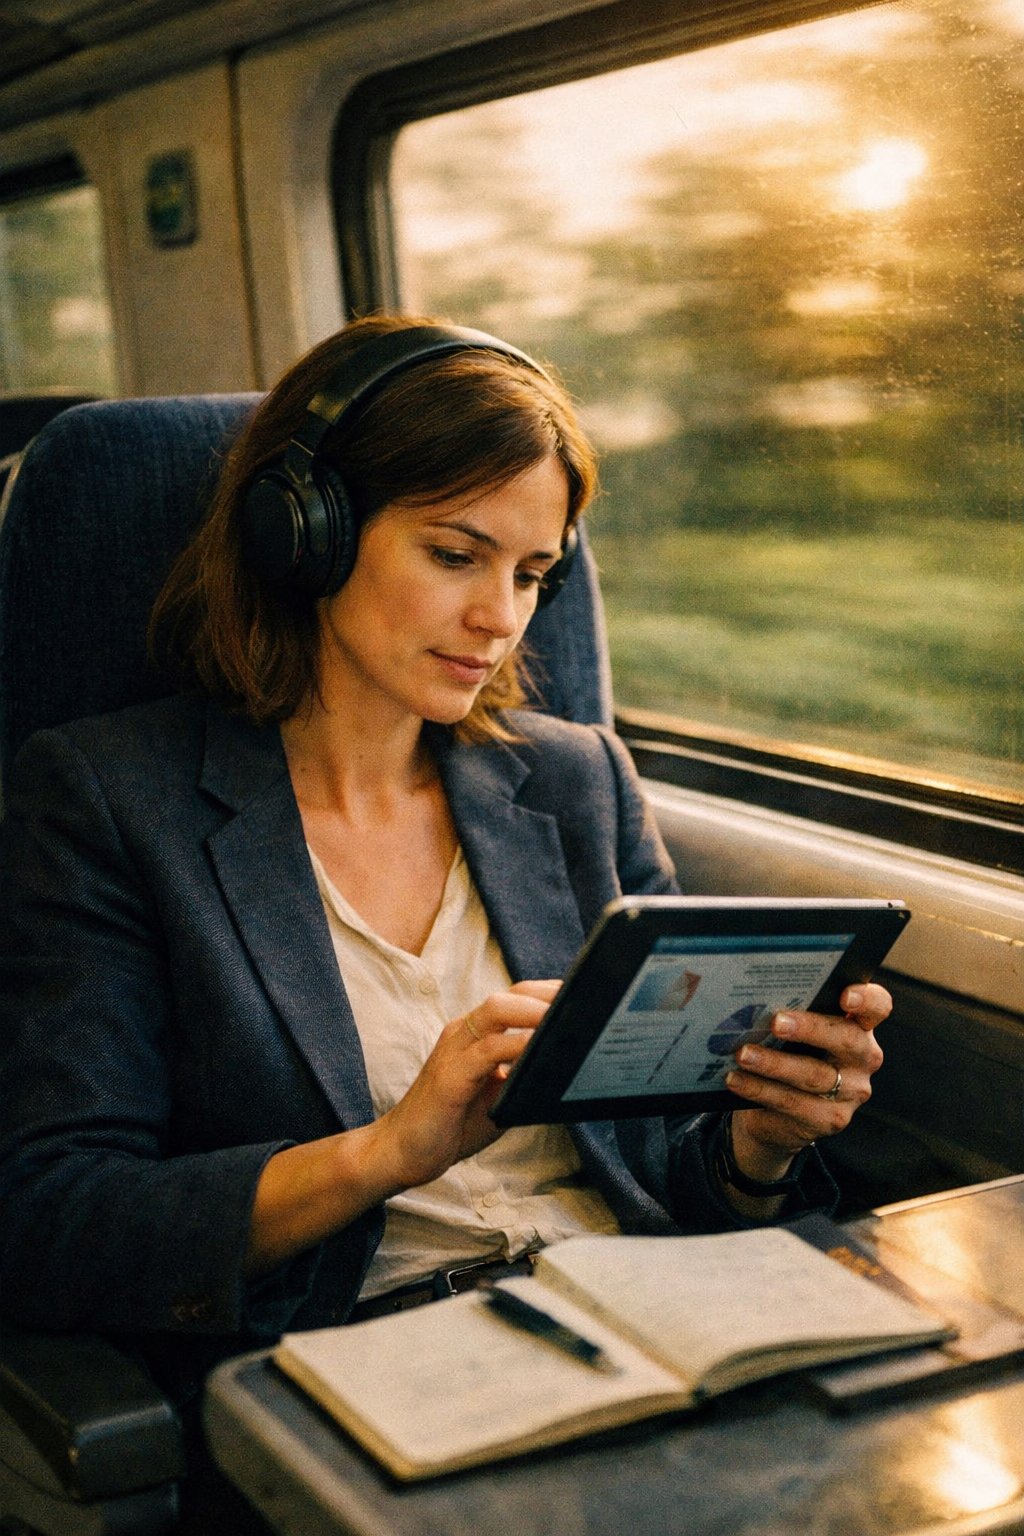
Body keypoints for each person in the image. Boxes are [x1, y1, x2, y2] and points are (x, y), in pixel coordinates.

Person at [0, 314, 886, 1498]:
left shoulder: (573, 780)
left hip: (647, 1324)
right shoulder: (107, 799)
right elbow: (50, 1219)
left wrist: (760, 1145)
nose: (501, 619)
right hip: (373, 1362)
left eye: (531, 575)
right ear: (304, 534)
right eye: (456, 556)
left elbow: (666, 1166)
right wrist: (387, 1153)